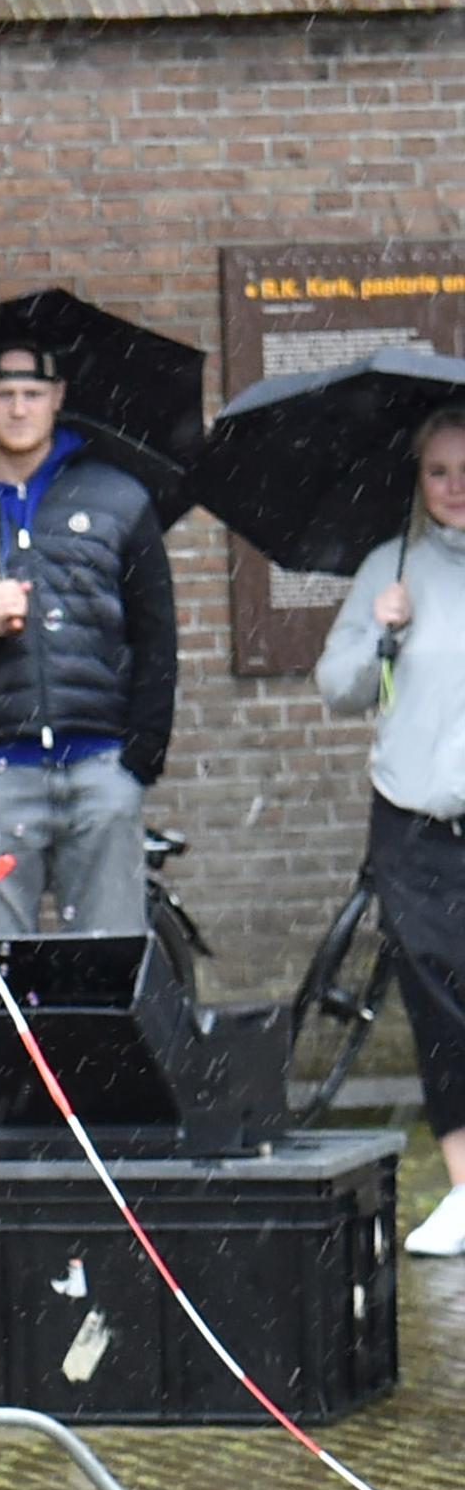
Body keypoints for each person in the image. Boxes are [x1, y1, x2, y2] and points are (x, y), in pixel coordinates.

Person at [0, 340, 178, 939]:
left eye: (32, 394)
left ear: (58, 399)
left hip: (101, 770)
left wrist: (138, 760)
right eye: (3, 395)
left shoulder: (117, 499)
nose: (19, 409)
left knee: (108, 968)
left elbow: (156, 635)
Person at [317, 404, 465, 1254]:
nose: (452, 488)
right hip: (412, 826)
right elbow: (336, 687)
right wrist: (381, 631)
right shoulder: (391, 566)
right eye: (436, 472)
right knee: (439, 1005)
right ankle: (461, 1185)